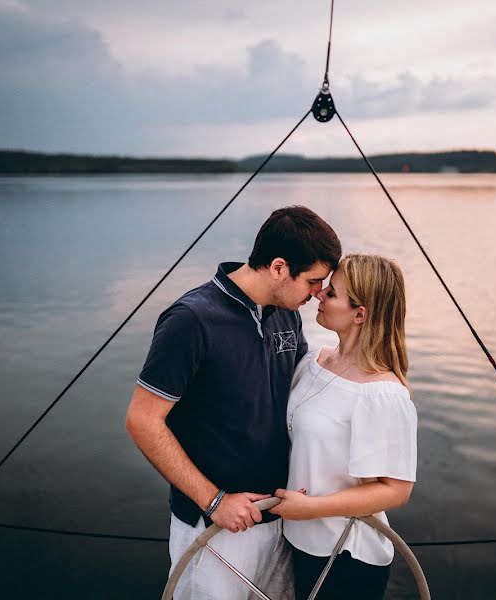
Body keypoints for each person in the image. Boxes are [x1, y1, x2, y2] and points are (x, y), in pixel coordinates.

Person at [125, 206, 342, 599]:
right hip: (216, 528)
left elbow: (299, 394)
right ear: (278, 267)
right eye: (312, 281)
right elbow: (142, 421)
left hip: (279, 517)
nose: (317, 294)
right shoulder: (190, 320)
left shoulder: (286, 315)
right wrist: (215, 500)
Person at [269, 253, 417, 600]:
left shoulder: (382, 394)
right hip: (298, 541)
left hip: (347, 556)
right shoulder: (314, 361)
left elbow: (396, 490)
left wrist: (310, 509)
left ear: (360, 314)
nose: (319, 294)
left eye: (331, 292)